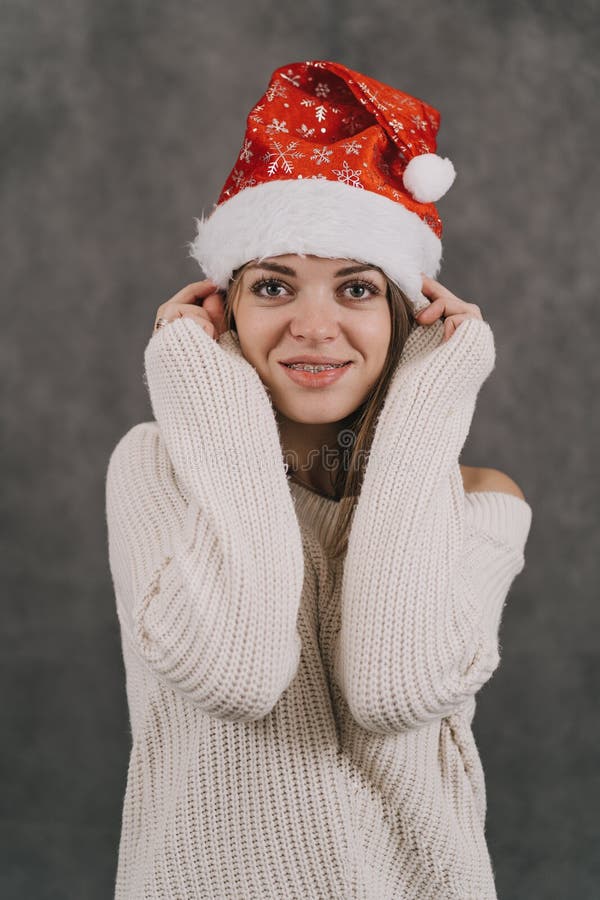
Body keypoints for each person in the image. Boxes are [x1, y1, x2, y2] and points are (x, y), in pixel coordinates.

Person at [105, 60, 533, 899]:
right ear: (223, 312)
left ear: (406, 318)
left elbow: (393, 689)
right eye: (273, 285)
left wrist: (432, 396)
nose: (314, 326)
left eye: (357, 289)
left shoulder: (484, 501)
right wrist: (200, 383)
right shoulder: (156, 467)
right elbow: (236, 671)